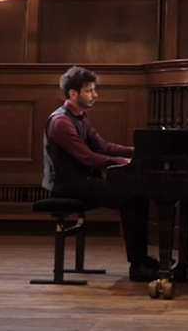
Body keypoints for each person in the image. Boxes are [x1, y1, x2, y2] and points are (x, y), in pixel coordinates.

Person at [42, 66, 159, 282]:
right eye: (89, 91)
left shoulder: (80, 117)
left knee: (138, 195)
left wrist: (141, 151)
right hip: (67, 184)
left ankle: (141, 260)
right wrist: (126, 161)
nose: (95, 95)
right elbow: (88, 158)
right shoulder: (61, 122)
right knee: (132, 198)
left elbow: (103, 147)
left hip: (83, 180)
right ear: (73, 93)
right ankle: (138, 265)